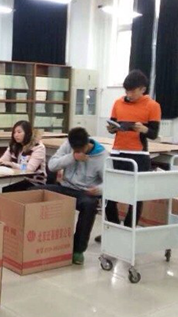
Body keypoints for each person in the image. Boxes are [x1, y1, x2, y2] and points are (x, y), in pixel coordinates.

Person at [42, 127, 108, 265]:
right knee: (34, 191)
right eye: (74, 149)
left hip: (84, 192)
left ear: (87, 143)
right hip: (65, 187)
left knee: (90, 205)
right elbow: (52, 165)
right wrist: (72, 157)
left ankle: (78, 249)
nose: (78, 152)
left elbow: (110, 182)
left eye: (80, 149)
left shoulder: (102, 156)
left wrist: (98, 190)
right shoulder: (68, 145)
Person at [104, 69, 161, 229]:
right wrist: (111, 129)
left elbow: (154, 134)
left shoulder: (153, 106)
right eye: (126, 91)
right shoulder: (118, 103)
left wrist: (144, 129)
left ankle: (130, 230)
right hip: (117, 153)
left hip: (138, 155)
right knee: (110, 193)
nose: (128, 94)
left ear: (142, 89)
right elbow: (113, 125)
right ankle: (114, 228)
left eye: (132, 91)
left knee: (136, 196)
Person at [0, 120, 47, 192]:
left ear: (27, 133)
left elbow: (29, 169)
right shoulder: (14, 145)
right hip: (16, 178)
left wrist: (12, 164)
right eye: (14, 132)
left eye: (19, 132)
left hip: (33, 181)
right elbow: (3, 161)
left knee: (3, 189)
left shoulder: (38, 147)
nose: (16, 135)